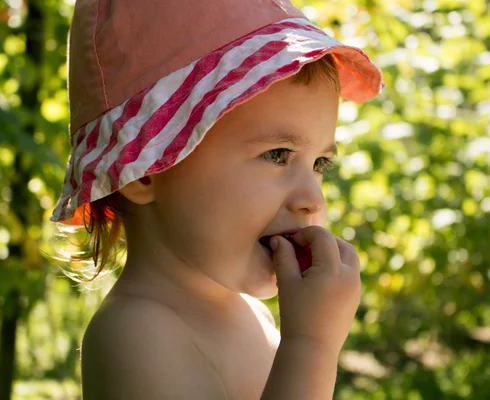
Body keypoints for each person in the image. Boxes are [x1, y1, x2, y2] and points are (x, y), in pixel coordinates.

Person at [51, 0, 383, 398]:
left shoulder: (254, 318)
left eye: (320, 163)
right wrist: (312, 346)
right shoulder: (136, 331)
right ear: (146, 169)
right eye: (277, 155)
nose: (312, 199)